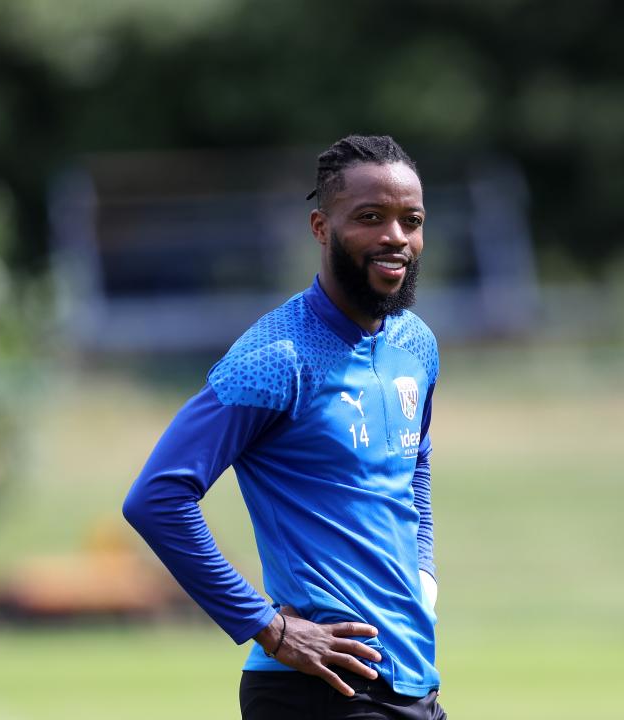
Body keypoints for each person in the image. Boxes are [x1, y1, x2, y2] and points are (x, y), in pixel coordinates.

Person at [123, 134, 446, 720]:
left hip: (411, 678)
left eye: (411, 220)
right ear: (321, 228)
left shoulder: (416, 345)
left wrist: (423, 570)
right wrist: (267, 627)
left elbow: (413, 465)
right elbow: (157, 496)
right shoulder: (275, 357)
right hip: (318, 691)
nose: (395, 237)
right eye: (370, 218)